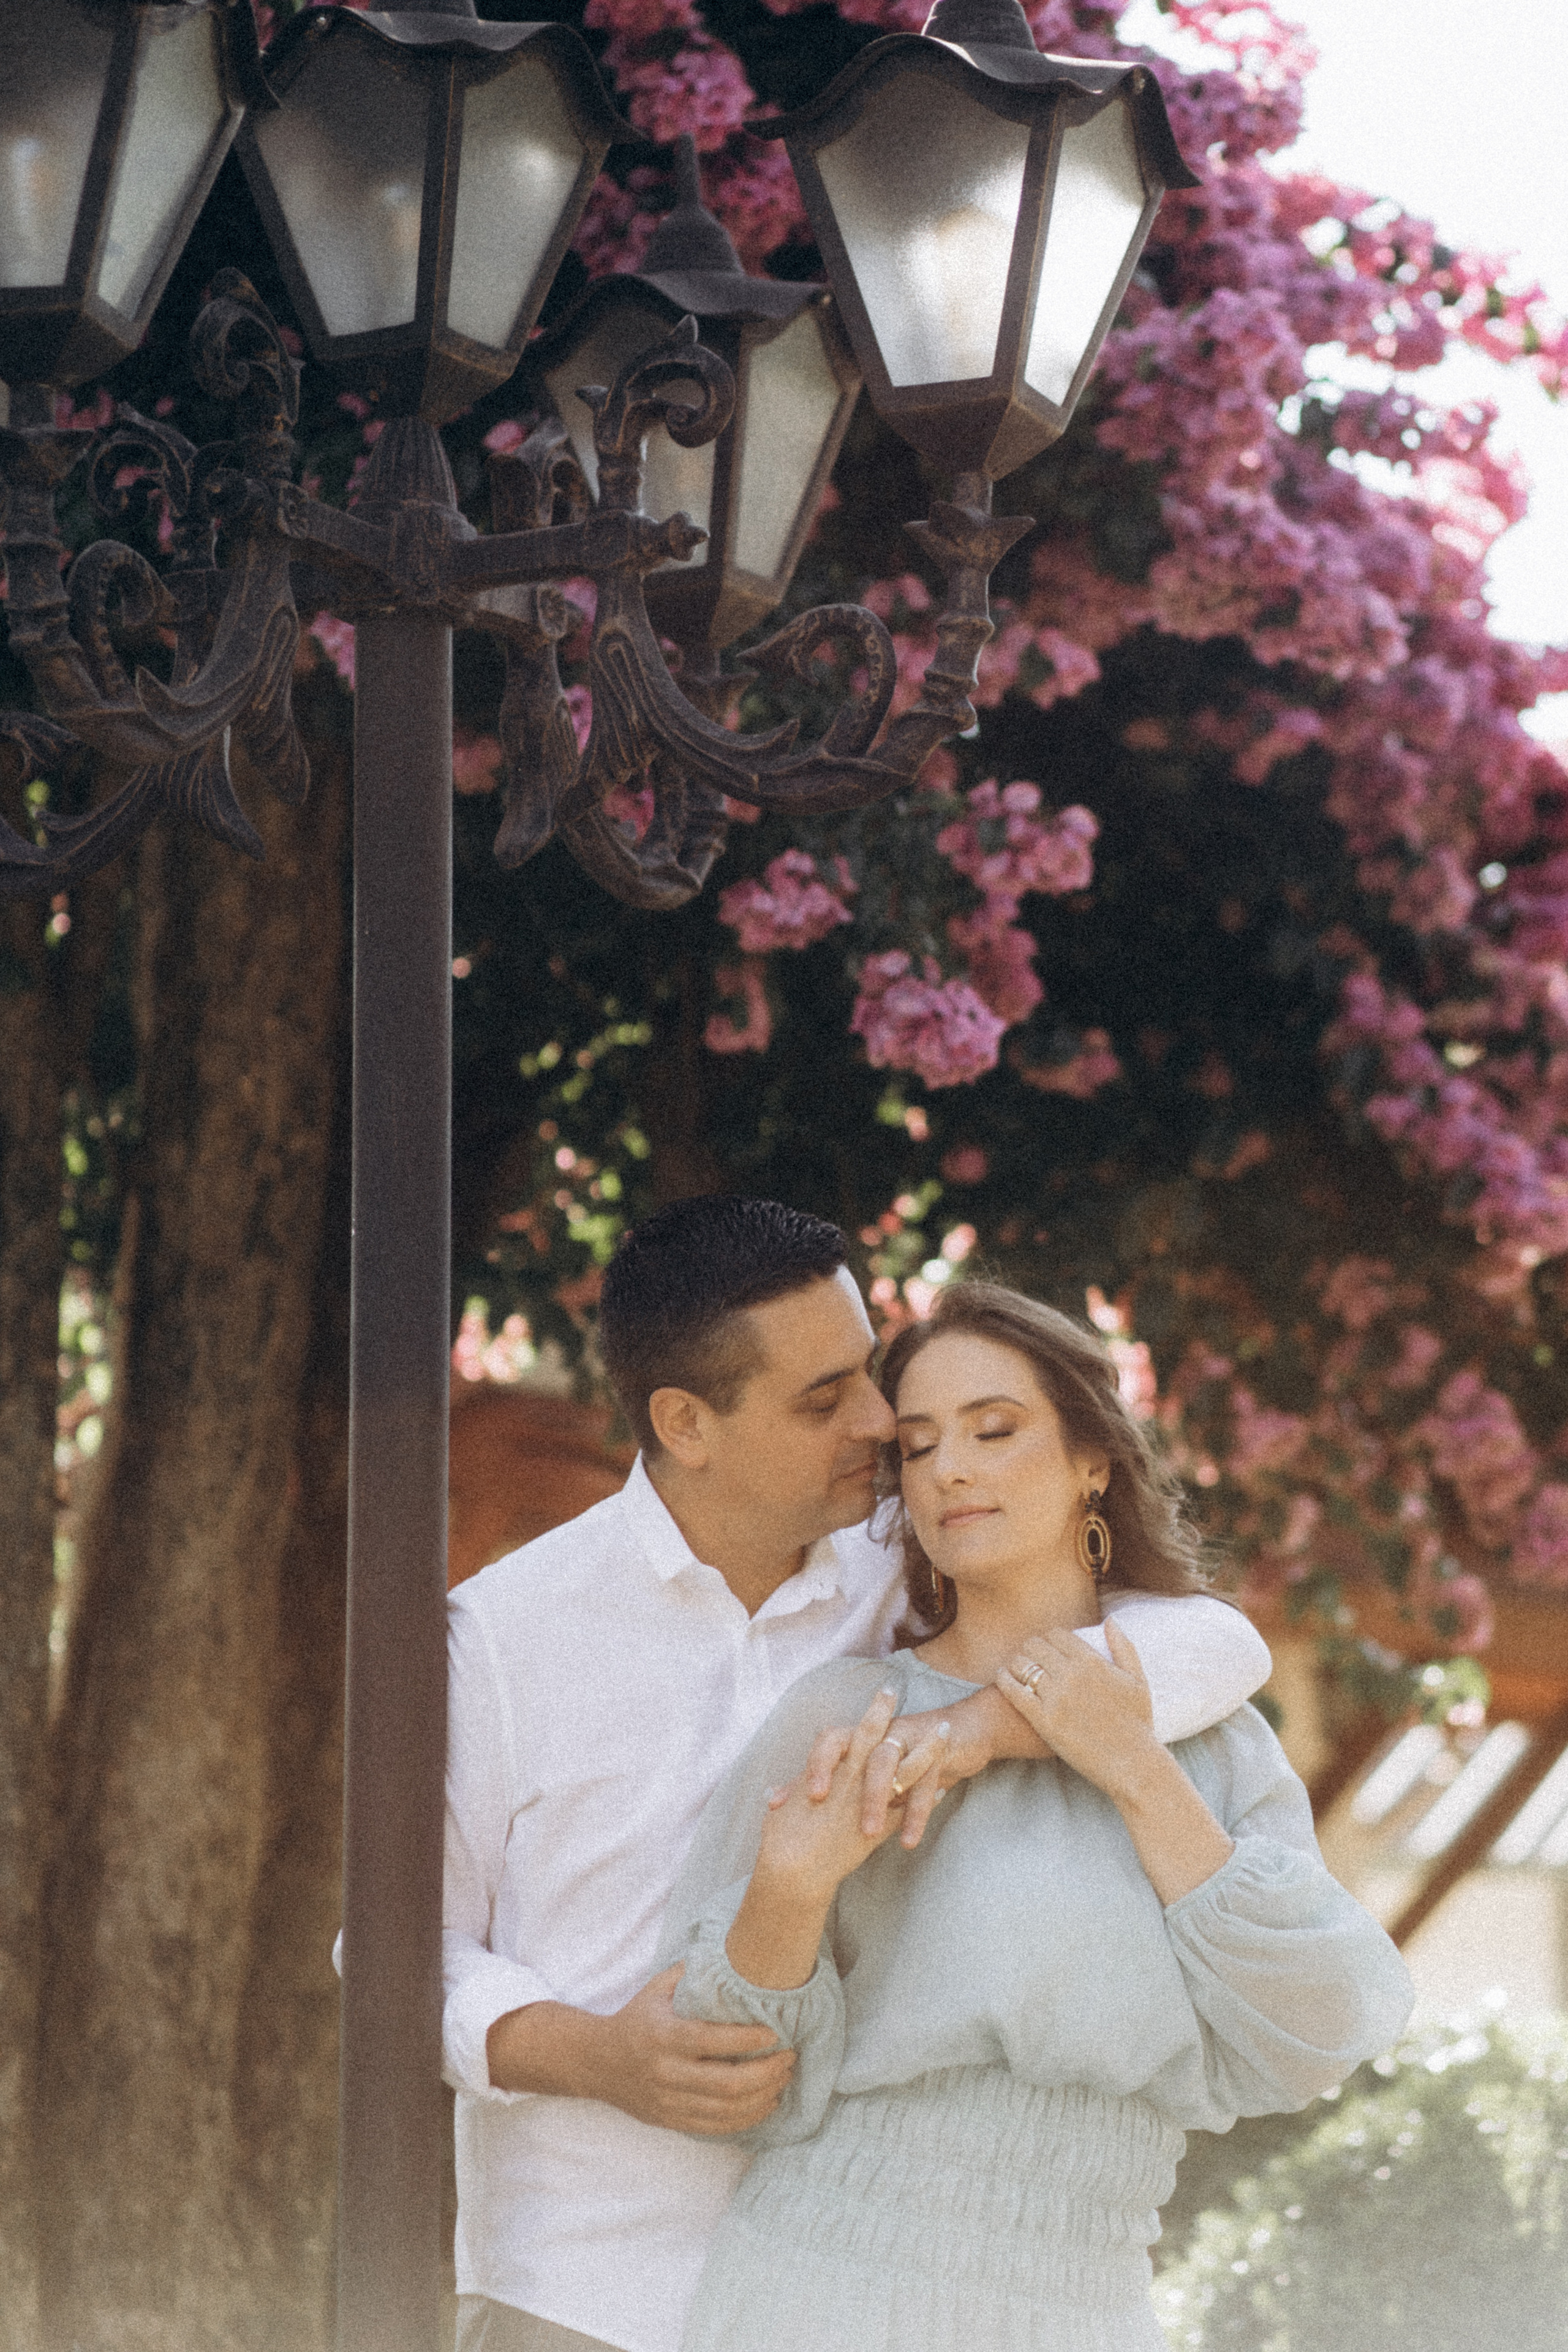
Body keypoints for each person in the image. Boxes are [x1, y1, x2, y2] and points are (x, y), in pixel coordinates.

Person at [442, 1200, 1275, 2352]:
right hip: (586, 2291)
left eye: (869, 1375)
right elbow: (393, 1946)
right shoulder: (501, 1637)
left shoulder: (906, 1554)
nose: (885, 1424)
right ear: (685, 1424)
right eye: (823, 1400)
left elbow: (1211, 1647)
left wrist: (985, 1723)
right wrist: (593, 2056)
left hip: (850, 2292)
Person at [659, 1278, 1414, 2352]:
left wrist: (1136, 1770)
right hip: (821, 2283)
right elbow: (727, 2078)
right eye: (918, 1447)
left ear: (1091, 1462)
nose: (950, 1468)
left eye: (995, 1430)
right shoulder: (850, 1716)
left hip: (1089, 2297)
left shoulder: (1207, 1736)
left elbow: (1331, 2022)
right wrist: (790, 1888)